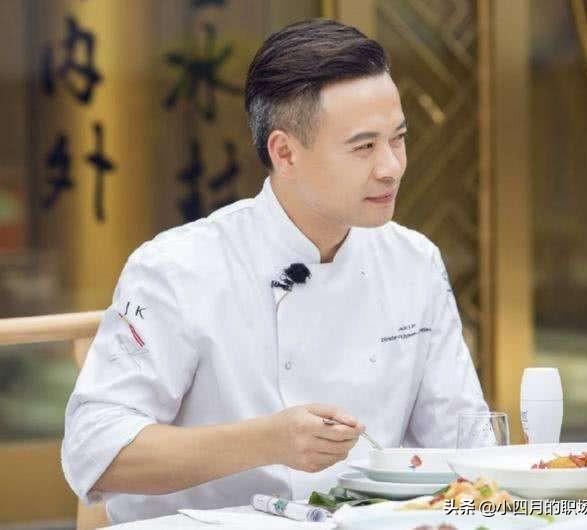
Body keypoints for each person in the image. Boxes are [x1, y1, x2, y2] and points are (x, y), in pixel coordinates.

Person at [62, 18, 489, 524]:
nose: (391, 167)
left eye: (397, 139)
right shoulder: (178, 268)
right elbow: (95, 451)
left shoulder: (414, 261)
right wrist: (268, 441)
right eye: (364, 147)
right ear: (284, 152)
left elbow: (467, 444)